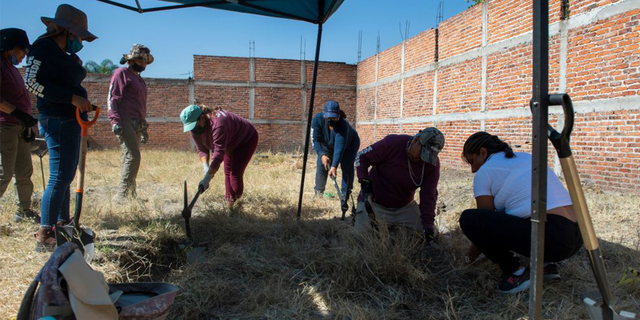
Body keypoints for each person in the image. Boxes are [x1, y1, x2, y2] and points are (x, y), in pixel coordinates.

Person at [459, 132, 583, 294]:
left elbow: (484, 224)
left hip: (552, 237)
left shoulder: (485, 172)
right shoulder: (526, 157)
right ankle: (545, 266)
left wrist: (469, 259)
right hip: (578, 235)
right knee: (524, 211)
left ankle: (515, 272)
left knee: (469, 219)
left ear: (483, 152)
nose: (473, 169)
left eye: (472, 162)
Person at [24, 4, 97, 252]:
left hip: (71, 119)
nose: (80, 42)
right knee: (58, 177)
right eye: (79, 37)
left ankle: (62, 226)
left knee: (66, 176)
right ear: (66, 30)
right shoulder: (43, 48)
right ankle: (45, 233)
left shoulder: (63, 54)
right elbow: (31, 83)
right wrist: (72, 98)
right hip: (57, 119)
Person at [354, 127, 445, 242]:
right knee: (361, 238)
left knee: (428, 235)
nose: (423, 160)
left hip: (405, 208)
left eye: (428, 157)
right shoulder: (392, 144)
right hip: (375, 204)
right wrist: (364, 180)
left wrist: (427, 225)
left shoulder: (432, 164)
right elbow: (361, 157)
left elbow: (429, 195)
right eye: (422, 154)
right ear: (416, 140)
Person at [180, 104, 259, 208]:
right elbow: (202, 150)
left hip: (246, 139)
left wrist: (207, 178)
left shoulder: (218, 124)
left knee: (234, 173)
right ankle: (228, 203)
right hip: (230, 142)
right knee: (227, 173)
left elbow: (218, 154)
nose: (193, 130)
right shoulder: (195, 129)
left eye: (194, 126)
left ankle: (235, 206)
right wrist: (206, 168)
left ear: (202, 118)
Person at [0, 28, 39, 223]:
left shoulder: (12, 68)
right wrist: (17, 114)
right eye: (22, 50)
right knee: (3, 173)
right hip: (4, 127)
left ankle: (24, 211)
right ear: (10, 47)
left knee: (24, 172)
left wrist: (27, 124)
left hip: (19, 127)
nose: (24, 54)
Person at [108, 44, 153, 200]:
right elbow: (112, 98)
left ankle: (131, 194)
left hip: (137, 122)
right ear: (131, 59)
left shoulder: (139, 79)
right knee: (133, 156)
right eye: (140, 59)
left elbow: (140, 104)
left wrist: (144, 127)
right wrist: (115, 121)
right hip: (125, 120)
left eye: (145, 61)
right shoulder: (121, 73)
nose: (143, 64)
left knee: (129, 158)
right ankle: (122, 196)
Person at [311, 100, 360, 203]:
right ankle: (318, 192)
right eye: (329, 117)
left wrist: (334, 166)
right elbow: (316, 140)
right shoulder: (317, 119)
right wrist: (322, 154)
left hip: (349, 145)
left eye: (334, 117)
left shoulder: (343, 126)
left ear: (339, 115)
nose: (331, 120)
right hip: (327, 146)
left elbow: (339, 148)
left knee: (346, 167)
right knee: (321, 165)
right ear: (324, 115)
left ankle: (345, 194)